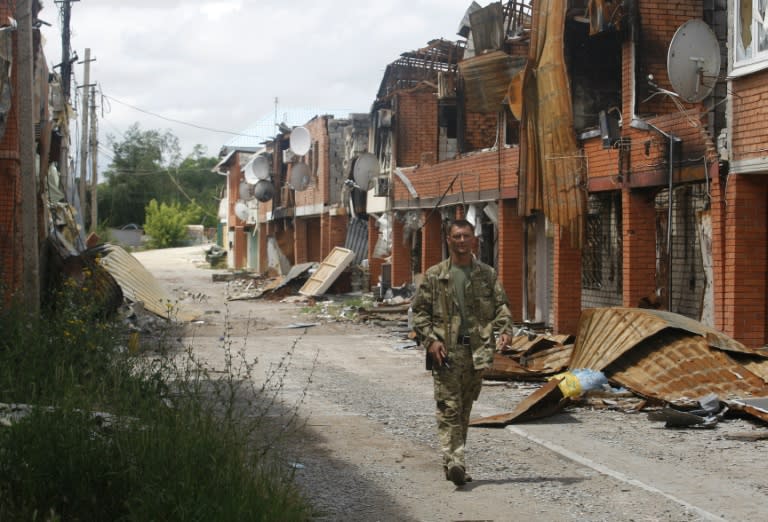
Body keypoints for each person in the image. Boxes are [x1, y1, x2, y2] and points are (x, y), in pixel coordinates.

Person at [411, 218, 513, 486]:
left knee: (464, 409)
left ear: (474, 240)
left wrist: (505, 330)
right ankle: (456, 461)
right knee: (449, 409)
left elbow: (501, 306)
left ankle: (452, 462)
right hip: (446, 352)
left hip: (476, 352)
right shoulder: (434, 276)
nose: (461, 241)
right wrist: (431, 341)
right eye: (456, 236)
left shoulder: (486, 275)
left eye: (466, 236)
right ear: (448, 240)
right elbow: (419, 313)